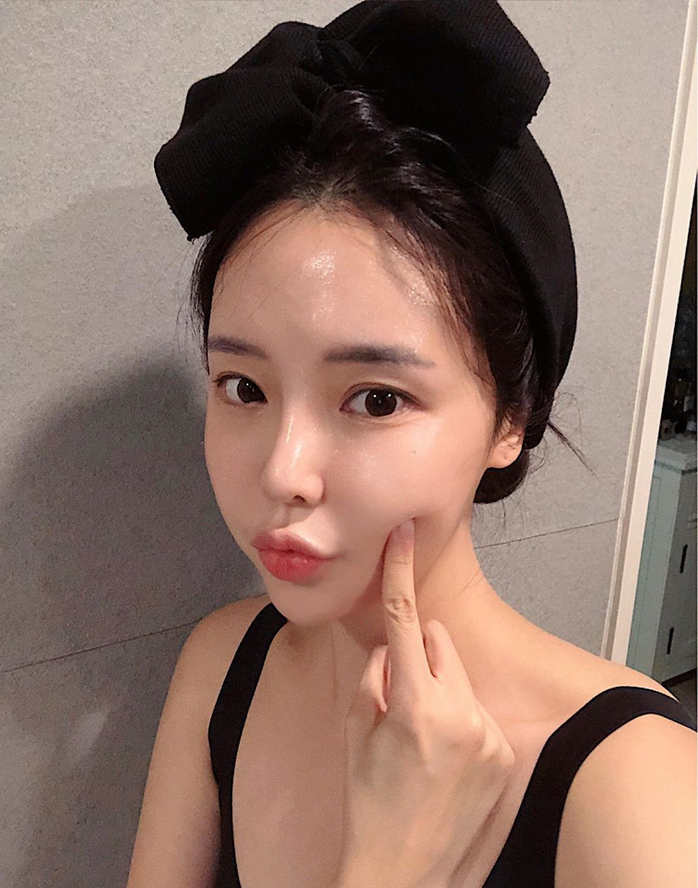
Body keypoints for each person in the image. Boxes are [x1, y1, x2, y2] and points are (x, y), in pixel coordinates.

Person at [127, 2, 697, 887]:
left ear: (511, 418)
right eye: (244, 387)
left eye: (376, 399)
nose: (282, 472)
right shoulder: (222, 666)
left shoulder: (638, 793)